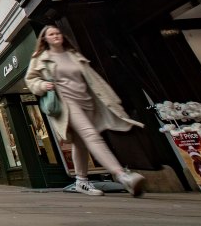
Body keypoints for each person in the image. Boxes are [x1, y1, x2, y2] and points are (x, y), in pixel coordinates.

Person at [25, 25, 146, 197]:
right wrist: (42, 85)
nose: (56, 36)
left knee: (81, 142)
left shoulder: (73, 54)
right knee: (91, 136)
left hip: (86, 100)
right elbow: (31, 80)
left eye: (58, 33)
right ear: (44, 39)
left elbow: (91, 78)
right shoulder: (40, 58)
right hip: (66, 102)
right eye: (51, 34)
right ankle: (122, 175)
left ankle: (81, 181)